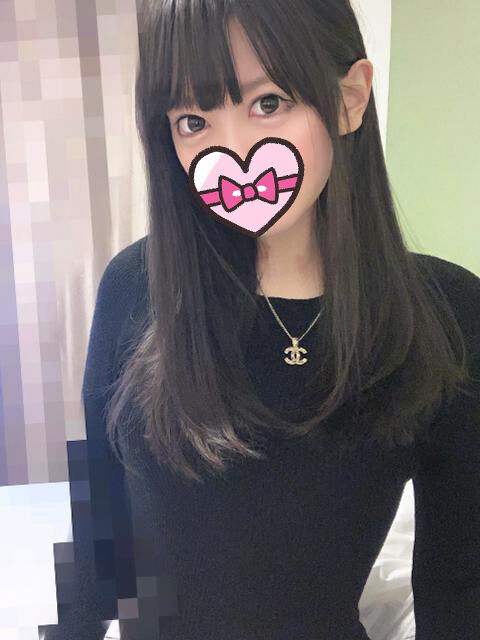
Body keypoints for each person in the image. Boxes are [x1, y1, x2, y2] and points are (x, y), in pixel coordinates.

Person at [39, 1, 480, 639]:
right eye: (194, 120)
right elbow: (97, 531)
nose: (235, 150)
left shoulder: (447, 313)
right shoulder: (134, 286)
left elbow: (459, 584)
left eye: (268, 102)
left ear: (350, 98)